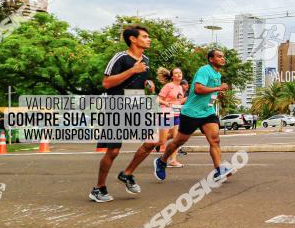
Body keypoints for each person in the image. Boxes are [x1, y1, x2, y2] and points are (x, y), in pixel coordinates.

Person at [88, 25, 158, 203]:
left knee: (152, 141)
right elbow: (106, 83)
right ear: (133, 39)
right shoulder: (120, 58)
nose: (149, 39)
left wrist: (147, 83)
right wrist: (132, 70)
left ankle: (127, 174)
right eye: (145, 36)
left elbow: (137, 81)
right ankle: (99, 188)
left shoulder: (146, 59)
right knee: (113, 151)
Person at [154, 49, 231, 183]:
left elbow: (210, 94)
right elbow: (198, 89)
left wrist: (218, 94)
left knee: (215, 140)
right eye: (219, 56)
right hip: (191, 112)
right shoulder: (204, 70)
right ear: (211, 59)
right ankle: (161, 161)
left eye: (223, 57)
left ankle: (219, 170)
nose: (222, 58)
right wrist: (218, 89)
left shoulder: (217, 75)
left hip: (207, 112)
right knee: (179, 141)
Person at [156, 67, 186, 167]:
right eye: (176, 73)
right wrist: (166, 103)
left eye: (180, 72)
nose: (179, 74)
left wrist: (188, 99)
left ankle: (173, 160)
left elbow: (179, 101)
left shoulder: (180, 88)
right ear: (172, 76)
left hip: (176, 114)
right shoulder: (169, 86)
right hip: (166, 114)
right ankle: (147, 145)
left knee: (176, 139)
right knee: (162, 141)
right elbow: (158, 99)